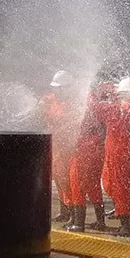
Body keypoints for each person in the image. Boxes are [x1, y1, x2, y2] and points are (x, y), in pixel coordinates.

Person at [97, 77, 130, 235]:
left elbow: (96, 108)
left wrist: (99, 92)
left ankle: (127, 226)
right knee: (128, 189)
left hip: (118, 155)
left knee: (120, 190)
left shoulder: (117, 109)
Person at [67, 82, 110, 231]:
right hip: (95, 150)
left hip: (82, 151)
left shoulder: (83, 103)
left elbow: (74, 126)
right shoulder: (97, 103)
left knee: (77, 184)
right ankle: (101, 222)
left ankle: (79, 223)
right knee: (94, 186)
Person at [42, 70, 81, 223]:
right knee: (58, 178)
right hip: (56, 144)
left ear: (67, 88)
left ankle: (72, 212)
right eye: (55, 88)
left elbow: (64, 121)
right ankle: (64, 210)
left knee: (67, 179)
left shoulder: (73, 104)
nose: (56, 91)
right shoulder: (52, 99)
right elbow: (43, 103)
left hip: (68, 146)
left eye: (59, 88)